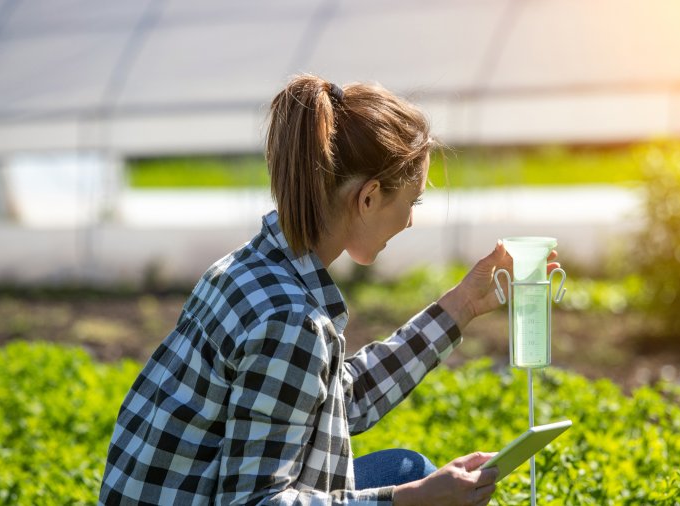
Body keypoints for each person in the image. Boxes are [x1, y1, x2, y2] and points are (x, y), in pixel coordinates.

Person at [98, 75, 558, 506]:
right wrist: (406, 499)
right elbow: (256, 502)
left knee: (408, 468)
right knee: (411, 481)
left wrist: (463, 304)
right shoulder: (290, 321)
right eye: (412, 200)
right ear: (369, 198)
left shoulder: (250, 269)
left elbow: (339, 398)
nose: (410, 220)